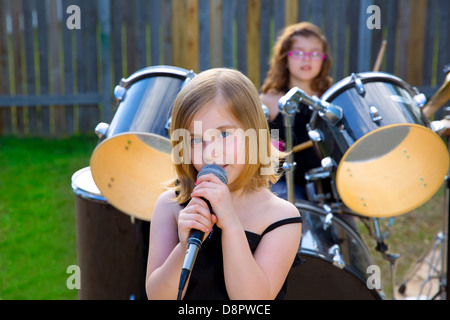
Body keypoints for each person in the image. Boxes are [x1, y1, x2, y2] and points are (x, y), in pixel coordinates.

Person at [145, 68, 302, 300]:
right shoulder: (171, 205)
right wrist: (183, 247)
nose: (211, 152)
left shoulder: (280, 217)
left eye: (225, 135)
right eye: (196, 139)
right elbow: (158, 297)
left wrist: (229, 223)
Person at [260, 22, 333, 201]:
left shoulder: (330, 100)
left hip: (325, 182)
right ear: (285, 58)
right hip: (284, 183)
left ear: (323, 60)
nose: (306, 59)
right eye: (299, 52)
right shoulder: (269, 102)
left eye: (314, 53)